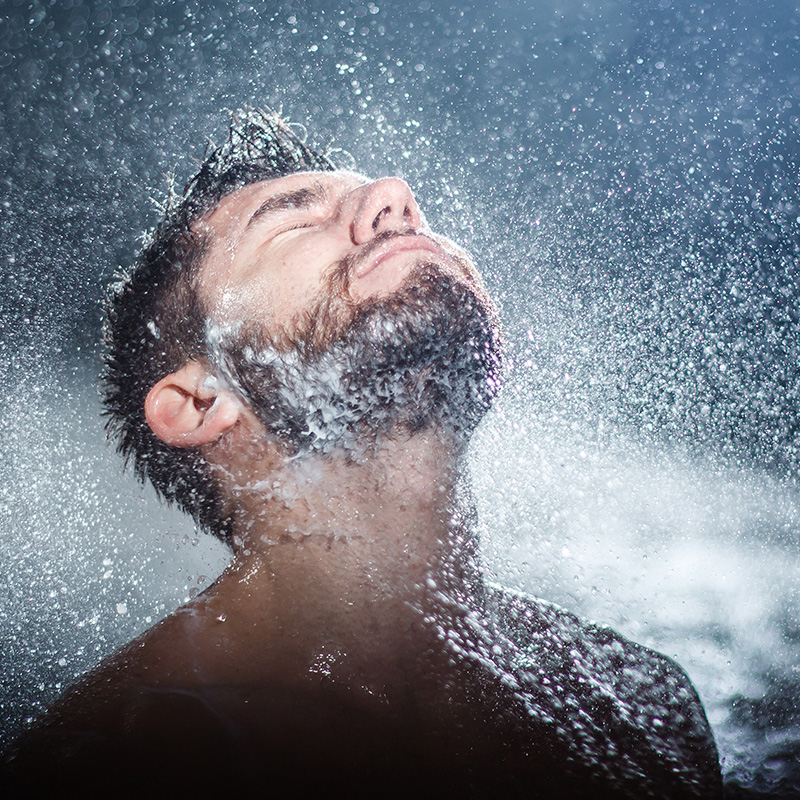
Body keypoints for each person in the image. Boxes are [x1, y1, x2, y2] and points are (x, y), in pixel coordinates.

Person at [3, 109, 722, 798]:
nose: (397, 199)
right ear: (199, 402)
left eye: (396, 201)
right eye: (292, 219)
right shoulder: (122, 764)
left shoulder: (636, 699)